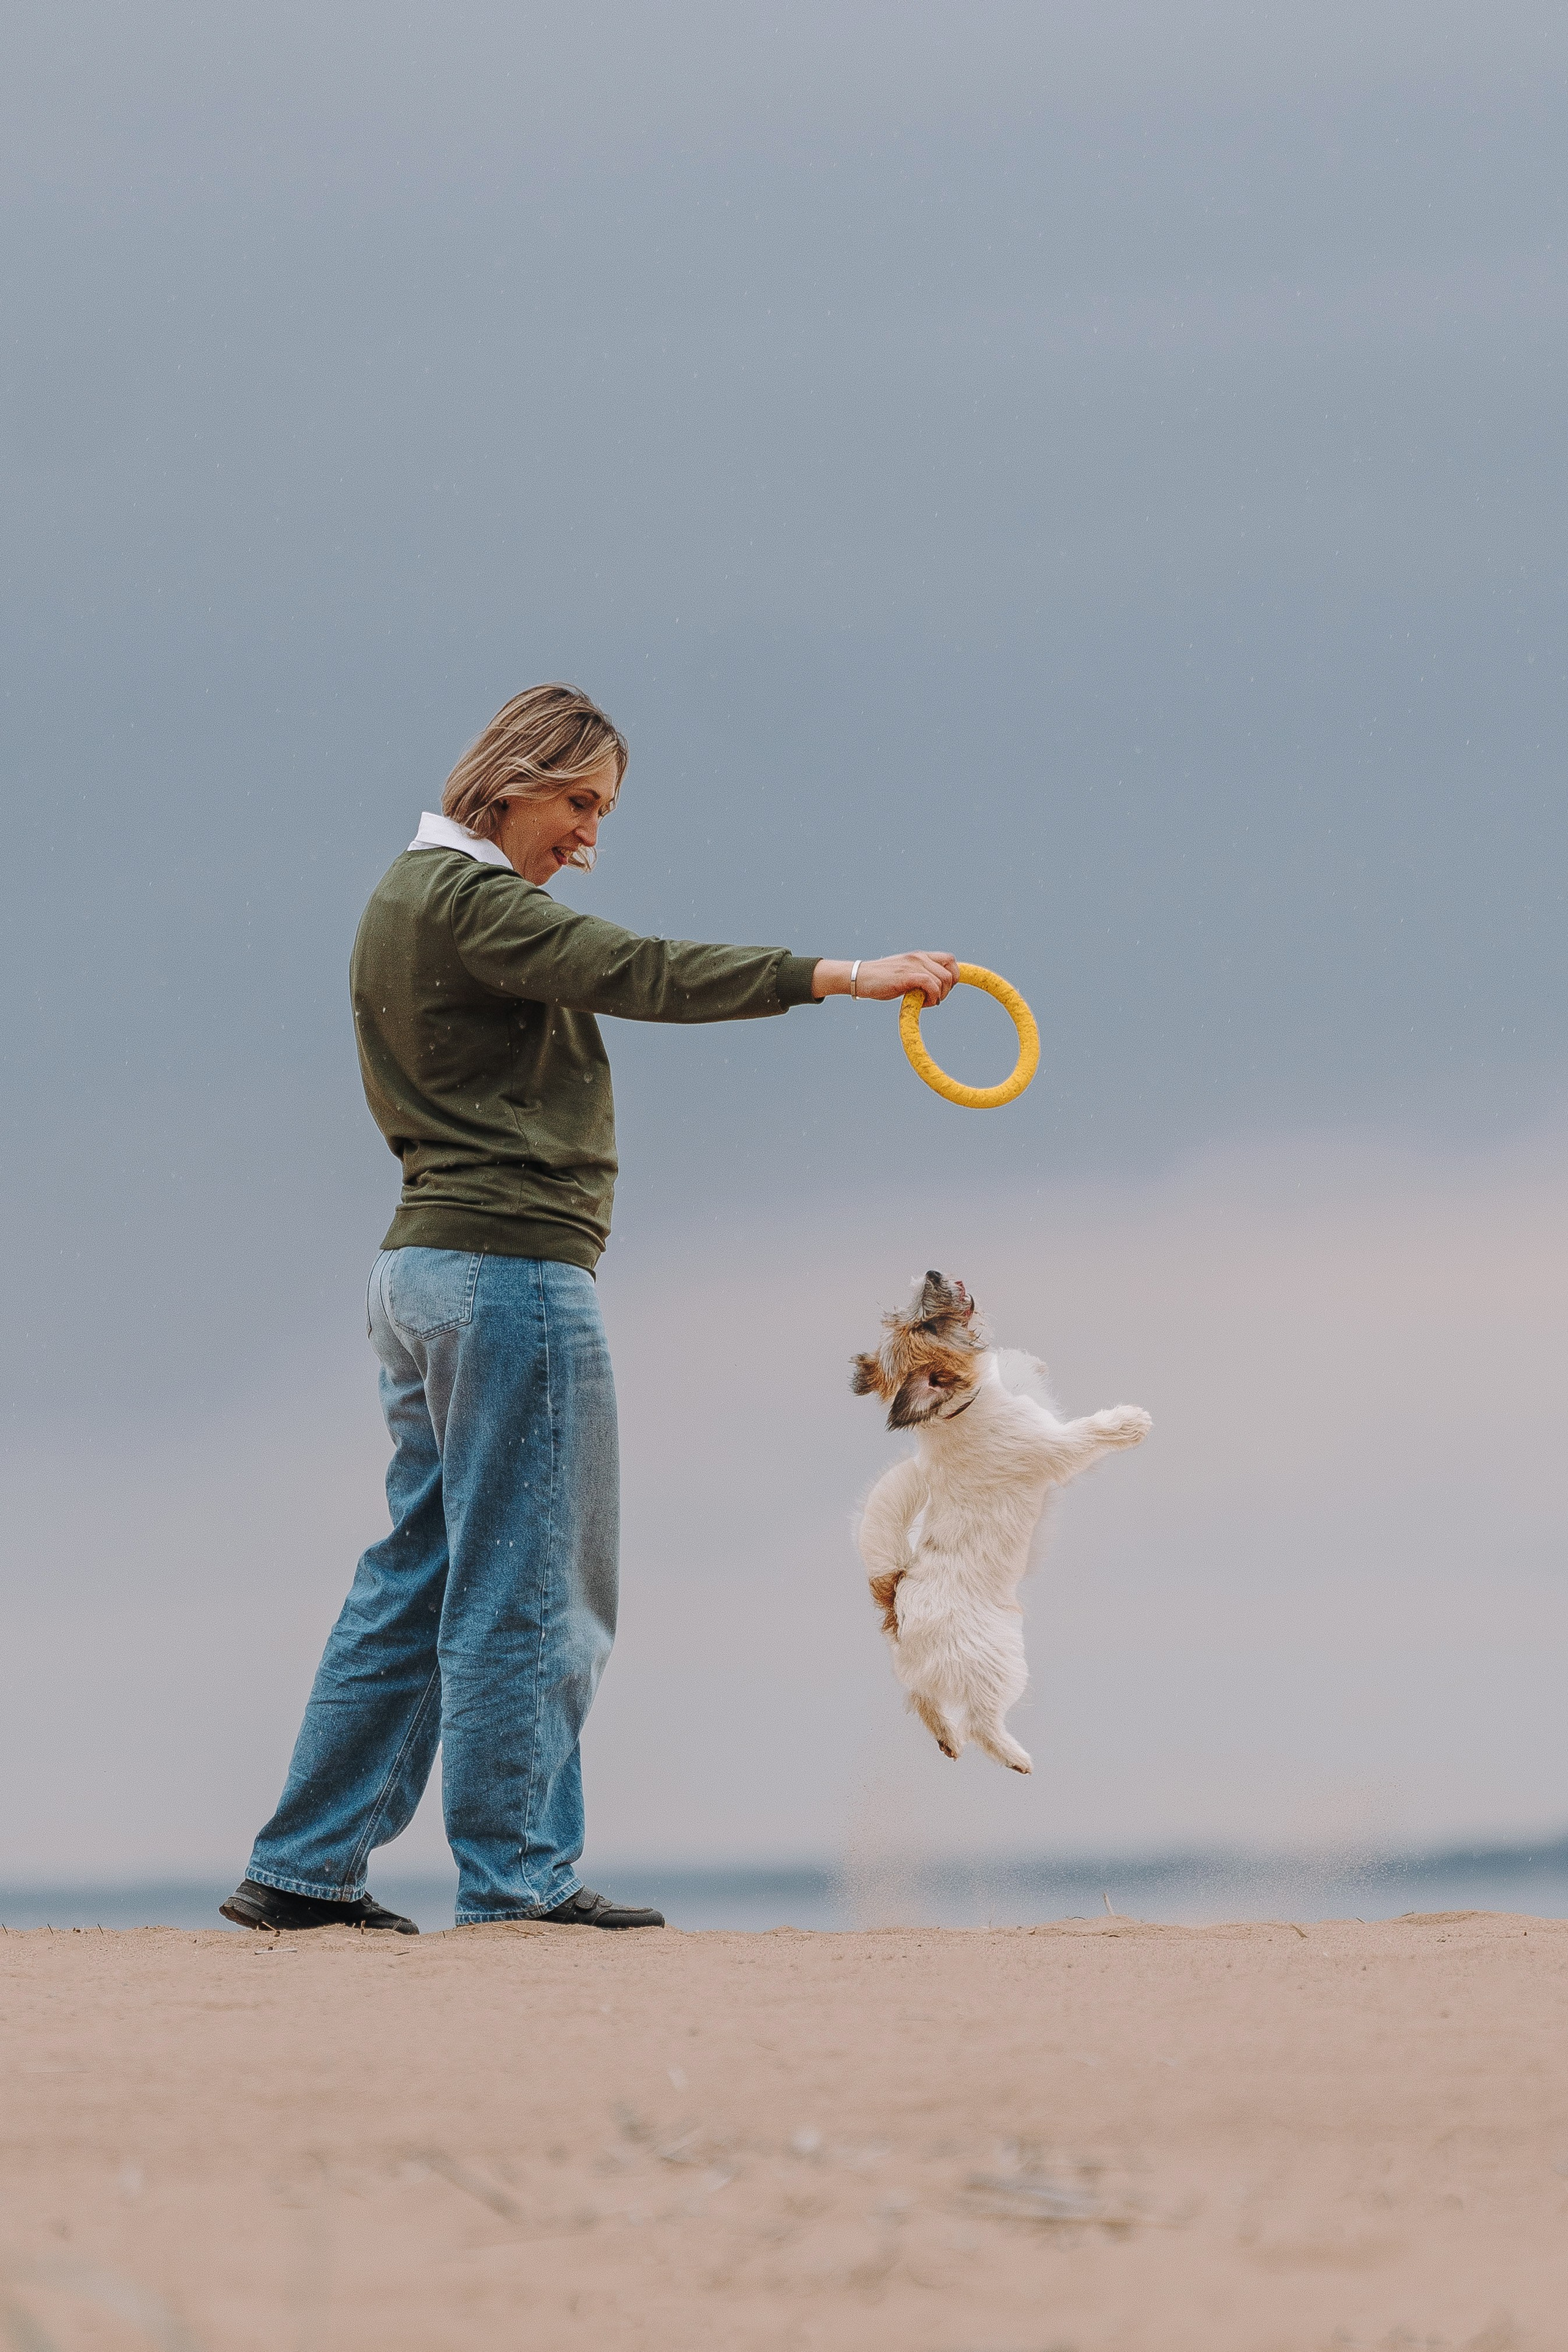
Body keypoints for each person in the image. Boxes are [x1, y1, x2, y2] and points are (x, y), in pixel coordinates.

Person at [222, 684, 957, 1934]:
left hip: (424, 1273)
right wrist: (838, 975)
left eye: (600, 815)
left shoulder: (406, 900)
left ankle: (302, 1872)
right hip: (506, 1276)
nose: (587, 839)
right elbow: (633, 969)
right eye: (578, 805)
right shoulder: (464, 901)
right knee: (534, 1584)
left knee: (419, 1576)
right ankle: (517, 1879)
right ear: (509, 782)